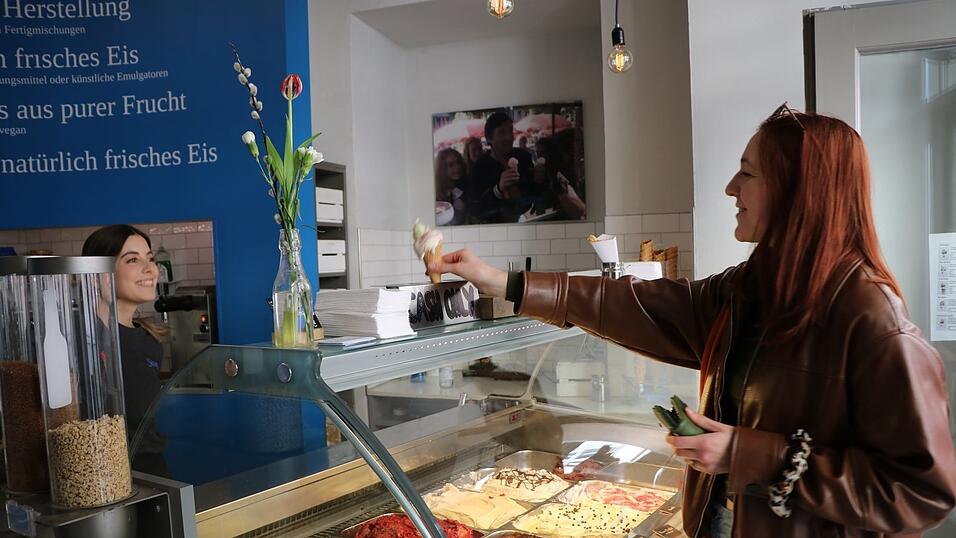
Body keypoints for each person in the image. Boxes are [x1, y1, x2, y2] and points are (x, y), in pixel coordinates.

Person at [428, 105, 956, 537]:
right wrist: (506, 283)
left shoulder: (870, 318)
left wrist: (750, 454)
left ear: (799, 192)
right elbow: (640, 304)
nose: (731, 187)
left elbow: (920, 491)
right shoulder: (754, 286)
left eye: (747, 173)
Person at [83, 224, 168, 475]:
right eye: (132, 259)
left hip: (151, 471)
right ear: (99, 273)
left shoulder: (150, 341)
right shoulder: (85, 338)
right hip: (104, 476)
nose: (150, 268)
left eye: (150, 259)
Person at [467, 111, 534, 223]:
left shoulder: (524, 156)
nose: (509, 137)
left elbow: (535, 192)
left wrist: (540, 180)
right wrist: (497, 190)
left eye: (510, 131)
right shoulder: (480, 167)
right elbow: (476, 209)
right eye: (502, 132)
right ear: (489, 139)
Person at [434, 147, 468, 225]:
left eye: (458, 162)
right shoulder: (438, 195)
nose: (457, 167)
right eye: (451, 165)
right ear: (442, 169)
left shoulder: (466, 186)